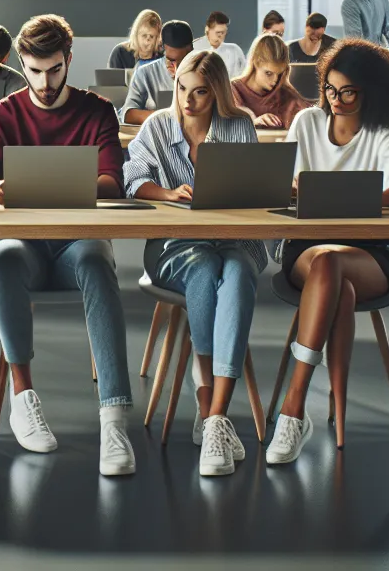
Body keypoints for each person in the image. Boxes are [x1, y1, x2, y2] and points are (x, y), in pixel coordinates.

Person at [0, 15, 135, 475]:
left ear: (68, 61)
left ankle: (114, 418)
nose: (45, 82)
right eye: (35, 71)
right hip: (20, 240)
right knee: (2, 257)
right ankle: (23, 398)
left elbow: (112, 183)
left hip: (75, 242)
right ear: (21, 63)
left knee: (99, 262)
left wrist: (55, 181)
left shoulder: (98, 110)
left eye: (54, 70)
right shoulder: (1, 114)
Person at [267, 39, 389, 463]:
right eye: (330, 90)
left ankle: (294, 407)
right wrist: (296, 188)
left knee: (337, 271)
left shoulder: (384, 131)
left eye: (347, 92)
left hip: (366, 252)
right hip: (306, 249)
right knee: (332, 270)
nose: (336, 100)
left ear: (370, 90)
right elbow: (285, 184)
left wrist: (335, 196)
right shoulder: (306, 122)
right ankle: (316, 407)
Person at [123, 50, 265, 477]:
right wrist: (167, 194)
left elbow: (256, 190)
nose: (188, 100)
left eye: (200, 92)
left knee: (238, 274)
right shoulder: (156, 125)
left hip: (235, 239)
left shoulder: (239, 126)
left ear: (217, 92)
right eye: (183, 89)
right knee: (204, 270)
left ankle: (215, 417)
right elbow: (132, 179)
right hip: (175, 245)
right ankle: (210, 407)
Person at [122, 19, 196, 125]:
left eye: (184, 59)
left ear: (192, 50)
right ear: (162, 49)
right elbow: (128, 114)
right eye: (171, 61)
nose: (178, 67)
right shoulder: (145, 73)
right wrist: (168, 117)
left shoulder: (205, 71)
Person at [232, 33, 310, 129]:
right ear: (256, 62)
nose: (275, 80)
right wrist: (253, 122)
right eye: (268, 73)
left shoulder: (286, 95)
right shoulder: (232, 90)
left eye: (279, 74)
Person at [193, 10, 247, 77]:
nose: (220, 36)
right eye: (218, 33)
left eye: (223, 33)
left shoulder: (234, 50)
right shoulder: (194, 48)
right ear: (207, 29)